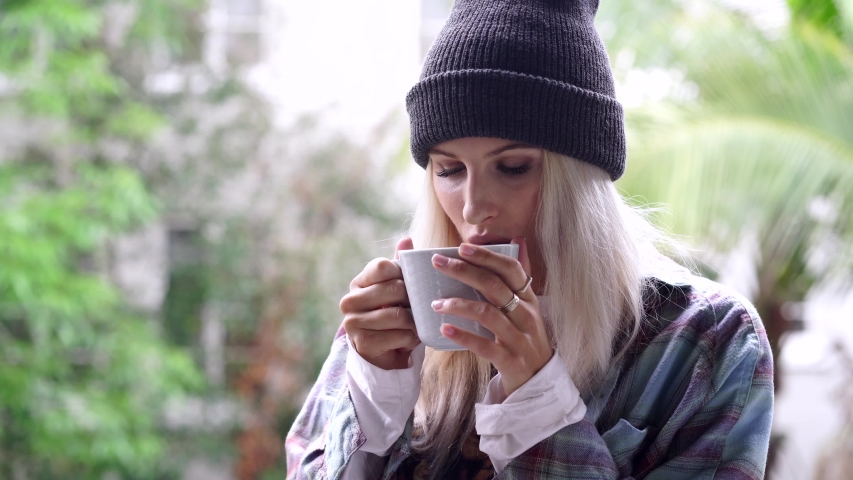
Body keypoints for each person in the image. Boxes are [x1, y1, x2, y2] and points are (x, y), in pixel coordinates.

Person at [285, 0, 774, 478]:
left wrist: (538, 400)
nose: (474, 207)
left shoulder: (703, 338)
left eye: (513, 167)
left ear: (577, 179)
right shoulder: (390, 320)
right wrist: (374, 391)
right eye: (449, 169)